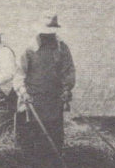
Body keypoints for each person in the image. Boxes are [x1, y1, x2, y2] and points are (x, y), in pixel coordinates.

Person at [14, 14, 76, 159]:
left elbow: (68, 71)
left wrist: (67, 89)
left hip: (53, 101)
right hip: (32, 101)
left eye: (51, 33)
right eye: (45, 34)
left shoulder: (62, 48)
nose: (48, 37)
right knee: (31, 141)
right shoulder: (28, 48)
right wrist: (23, 92)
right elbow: (18, 74)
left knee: (54, 142)